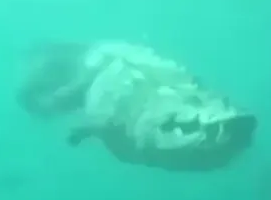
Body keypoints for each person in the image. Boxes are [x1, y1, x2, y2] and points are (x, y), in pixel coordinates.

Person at [17, 40, 257, 172]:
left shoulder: (95, 61)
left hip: (140, 98)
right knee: (175, 112)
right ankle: (214, 124)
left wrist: (84, 127)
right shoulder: (102, 55)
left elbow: (63, 100)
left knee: (163, 117)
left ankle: (211, 126)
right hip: (154, 91)